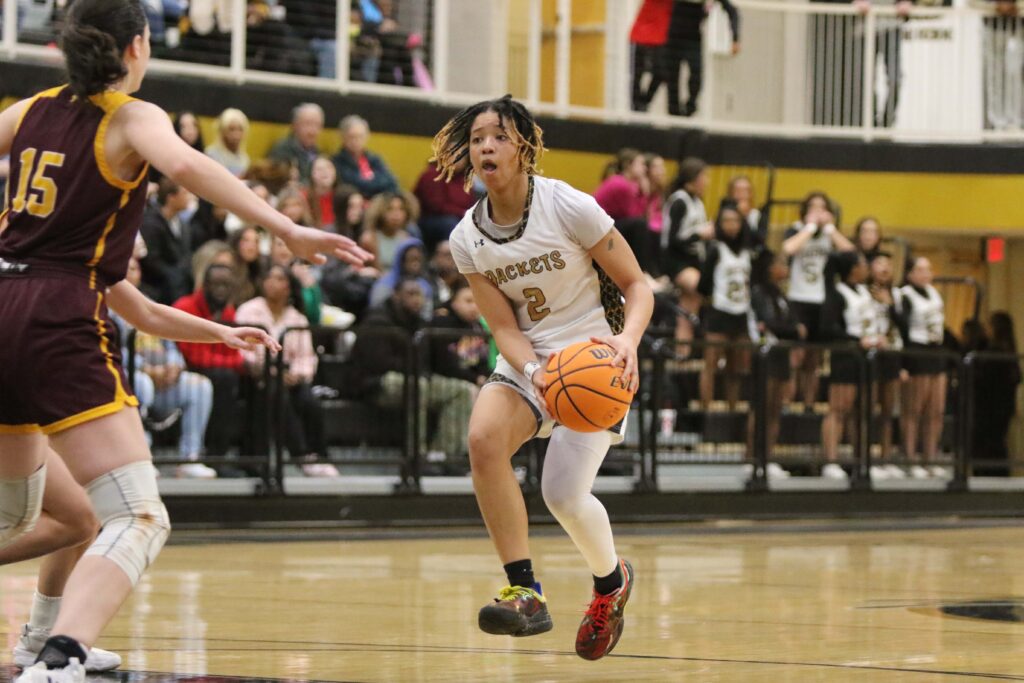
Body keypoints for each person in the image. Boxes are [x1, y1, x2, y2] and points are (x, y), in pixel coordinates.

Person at [0, 0, 368, 678]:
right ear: (138, 45)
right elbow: (195, 169)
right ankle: (58, 660)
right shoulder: (133, 117)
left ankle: (41, 642)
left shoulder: (29, 110)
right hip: (56, 314)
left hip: (5, 299)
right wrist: (287, 229)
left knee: (29, 513)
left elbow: (135, 303)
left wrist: (222, 328)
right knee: (139, 515)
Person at [437, 95, 653, 660]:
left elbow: (638, 286)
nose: (486, 145)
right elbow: (503, 325)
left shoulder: (567, 205)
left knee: (561, 494)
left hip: (596, 358)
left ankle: (611, 583)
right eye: (478, 137)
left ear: (524, 147)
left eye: (500, 136)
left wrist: (626, 342)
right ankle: (524, 591)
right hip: (530, 358)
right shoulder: (468, 238)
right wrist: (535, 371)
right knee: (483, 440)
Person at [350, 277, 475, 460]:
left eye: (420, 295)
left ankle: (442, 455)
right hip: (376, 383)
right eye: (410, 294)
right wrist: (413, 369)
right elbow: (377, 363)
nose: (416, 299)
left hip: (414, 377)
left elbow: (424, 360)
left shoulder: (420, 323)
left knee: (462, 391)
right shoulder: (377, 320)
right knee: (418, 386)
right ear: (396, 296)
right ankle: (416, 455)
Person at [236, 265, 335, 477]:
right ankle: (300, 455)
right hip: (255, 376)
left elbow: (307, 356)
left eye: (280, 279)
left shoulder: (297, 318)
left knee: (310, 402)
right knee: (276, 393)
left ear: (289, 287)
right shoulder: (248, 310)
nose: (272, 283)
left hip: (290, 375)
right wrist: (267, 370)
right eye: (269, 278)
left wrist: (297, 375)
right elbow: (242, 350)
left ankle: (320, 454)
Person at [782, 192, 854, 411]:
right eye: (813, 207)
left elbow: (850, 254)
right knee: (796, 355)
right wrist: (810, 227)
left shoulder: (830, 234)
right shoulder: (797, 229)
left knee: (814, 358)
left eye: (822, 207)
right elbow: (788, 249)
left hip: (821, 300)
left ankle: (809, 403)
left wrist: (830, 229)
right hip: (798, 298)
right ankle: (787, 401)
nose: (817, 211)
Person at [818, 251, 881, 480]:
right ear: (853, 269)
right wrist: (855, 341)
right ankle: (831, 460)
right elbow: (827, 327)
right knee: (838, 409)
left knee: (862, 411)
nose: (867, 268)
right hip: (846, 355)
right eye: (863, 264)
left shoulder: (866, 292)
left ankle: (861, 460)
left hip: (867, 356)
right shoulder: (837, 293)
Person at [749, 252, 806, 470]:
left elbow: (793, 324)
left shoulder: (781, 295)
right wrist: (793, 330)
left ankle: (767, 456)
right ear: (769, 267)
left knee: (774, 408)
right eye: (781, 263)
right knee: (761, 407)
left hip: (781, 355)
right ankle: (752, 457)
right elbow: (770, 323)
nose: (786, 268)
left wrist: (793, 330)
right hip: (766, 353)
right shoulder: (760, 292)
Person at [696, 201, 752, 411]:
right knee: (710, 363)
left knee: (736, 367)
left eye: (735, 220)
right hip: (719, 311)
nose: (731, 225)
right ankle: (705, 410)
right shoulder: (715, 249)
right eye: (726, 221)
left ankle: (733, 408)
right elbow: (703, 284)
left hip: (741, 313)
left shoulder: (747, 250)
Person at [640, 0, 740, 116]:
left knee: (696, 74)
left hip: (692, 38)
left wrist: (735, 38)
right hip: (672, 38)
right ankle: (673, 114)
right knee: (671, 80)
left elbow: (732, 12)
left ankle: (689, 108)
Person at [900, 257, 948, 478]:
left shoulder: (934, 293)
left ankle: (930, 457)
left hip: (936, 350)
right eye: (919, 269)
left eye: (928, 269)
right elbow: (902, 328)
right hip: (917, 350)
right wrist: (904, 363)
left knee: (935, 410)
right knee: (914, 409)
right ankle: (910, 458)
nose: (925, 273)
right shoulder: (905, 295)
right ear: (909, 274)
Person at [662, 157, 712, 344]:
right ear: (693, 177)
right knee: (700, 286)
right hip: (676, 260)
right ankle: (684, 348)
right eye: (704, 176)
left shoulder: (698, 202)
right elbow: (672, 238)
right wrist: (700, 234)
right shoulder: (679, 201)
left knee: (688, 311)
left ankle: (683, 352)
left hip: (692, 259)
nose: (706, 181)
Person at [867, 253, 907, 478]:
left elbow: (904, 326)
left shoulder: (898, 295)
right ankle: (866, 457)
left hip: (892, 351)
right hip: (872, 351)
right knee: (868, 407)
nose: (884, 268)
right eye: (879, 263)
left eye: (888, 265)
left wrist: (890, 304)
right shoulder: (863, 293)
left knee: (888, 409)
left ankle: (886, 457)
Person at [972, 312, 1020, 476]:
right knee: (998, 443)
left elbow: (981, 378)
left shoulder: (994, 351)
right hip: (1003, 407)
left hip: (990, 408)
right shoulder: (1009, 350)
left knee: (988, 445)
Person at [139, 178, 195, 304]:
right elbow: (151, 260)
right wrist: (174, 273)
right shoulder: (150, 223)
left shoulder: (182, 223)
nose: (189, 197)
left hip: (180, 282)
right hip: (157, 287)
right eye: (185, 193)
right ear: (171, 197)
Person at [413, 159, 479, 251]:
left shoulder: (465, 179)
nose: (457, 159)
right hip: (431, 220)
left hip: (460, 217)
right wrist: (464, 213)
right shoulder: (432, 175)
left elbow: (471, 204)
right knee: (452, 224)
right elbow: (436, 206)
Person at [332, 114, 400, 199]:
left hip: (377, 206)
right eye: (352, 137)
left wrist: (369, 185)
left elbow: (392, 182)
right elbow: (355, 184)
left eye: (360, 136)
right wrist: (376, 184)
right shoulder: (336, 162)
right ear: (343, 137)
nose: (356, 141)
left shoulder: (374, 159)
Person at [369, 237, 433, 317]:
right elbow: (375, 312)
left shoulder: (425, 286)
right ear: (401, 260)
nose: (415, 265)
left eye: (419, 260)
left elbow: (427, 317)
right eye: (412, 260)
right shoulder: (384, 286)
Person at [358, 190, 420, 271]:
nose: (396, 214)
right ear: (380, 212)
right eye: (390, 209)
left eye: (401, 209)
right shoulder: (369, 239)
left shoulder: (407, 238)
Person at [267, 102, 325, 183]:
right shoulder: (281, 150)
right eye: (308, 124)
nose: (312, 131)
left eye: (317, 125)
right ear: (295, 125)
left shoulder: (320, 154)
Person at [204, 107, 250, 178]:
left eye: (240, 129)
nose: (236, 135)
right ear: (222, 131)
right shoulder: (211, 155)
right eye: (231, 129)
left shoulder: (244, 158)